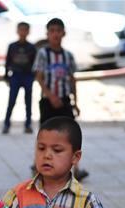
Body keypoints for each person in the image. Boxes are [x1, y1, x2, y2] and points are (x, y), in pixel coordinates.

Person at [33, 18, 88, 181]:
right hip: (48, 101)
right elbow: (39, 77)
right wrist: (51, 96)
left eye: (58, 31)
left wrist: (75, 102)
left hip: (64, 100)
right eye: (52, 31)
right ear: (47, 34)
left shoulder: (68, 56)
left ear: (63, 33)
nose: (55, 34)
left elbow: (72, 79)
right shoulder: (43, 54)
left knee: (70, 134)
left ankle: (75, 168)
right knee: (45, 134)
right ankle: (41, 167)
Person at [3, 22, 36, 135]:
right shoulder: (12, 46)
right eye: (21, 30)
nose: (23, 32)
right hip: (16, 75)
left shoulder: (32, 47)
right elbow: (7, 62)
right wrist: (6, 75)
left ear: (28, 31)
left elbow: (34, 64)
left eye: (25, 30)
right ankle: (6, 124)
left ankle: (28, 124)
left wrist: (33, 76)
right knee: (11, 101)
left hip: (27, 75)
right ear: (17, 31)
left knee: (28, 102)